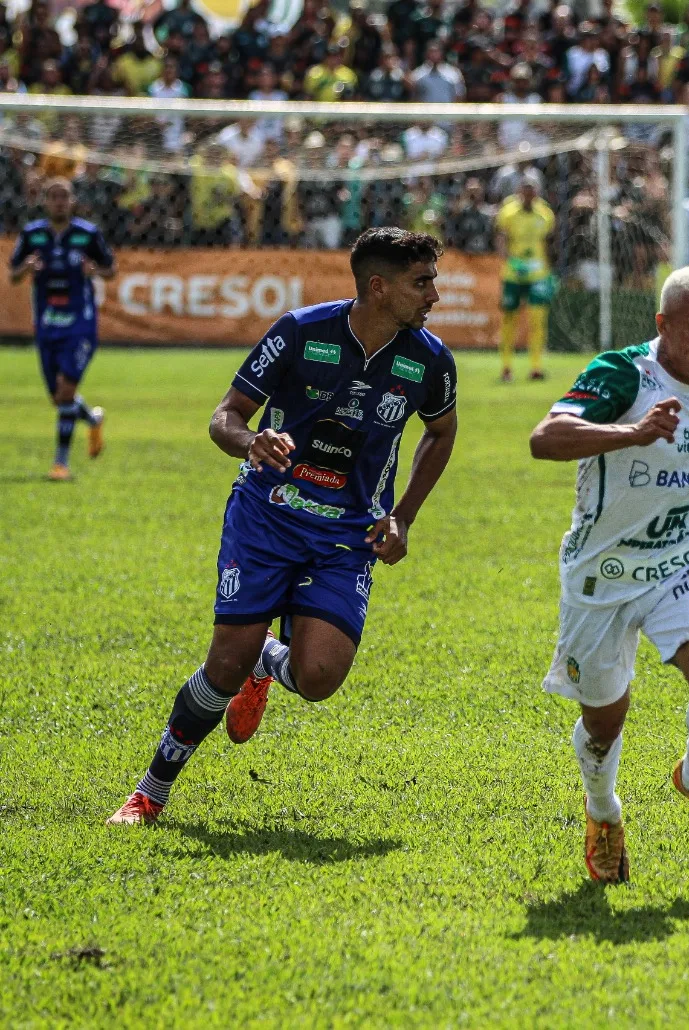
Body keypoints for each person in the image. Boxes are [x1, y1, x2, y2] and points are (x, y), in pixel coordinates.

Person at [106, 228, 459, 825]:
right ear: (379, 286)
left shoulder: (430, 358)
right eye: (422, 282)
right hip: (267, 517)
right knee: (223, 665)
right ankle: (150, 792)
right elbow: (225, 417)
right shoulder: (300, 331)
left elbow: (441, 431)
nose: (435, 295)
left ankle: (269, 661)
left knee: (318, 678)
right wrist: (250, 441)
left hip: (348, 534)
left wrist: (401, 517)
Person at [528, 265, 689, 883]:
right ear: (663, 325)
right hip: (602, 571)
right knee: (604, 720)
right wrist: (633, 430)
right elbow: (545, 438)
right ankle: (603, 811)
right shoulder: (623, 373)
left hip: (683, 556)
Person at [9, 178, 113, 480]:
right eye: (54, 197)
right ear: (45, 201)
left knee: (66, 391)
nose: (59, 202)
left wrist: (95, 271)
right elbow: (13, 274)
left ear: (72, 201)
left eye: (64, 197)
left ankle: (61, 463)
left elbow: (111, 269)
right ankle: (92, 419)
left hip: (80, 324)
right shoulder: (32, 234)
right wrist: (27, 267)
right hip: (47, 323)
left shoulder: (87, 233)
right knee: (58, 397)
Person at [495, 172, 556, 382]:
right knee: (509, 320)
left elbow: (549, 242)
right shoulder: (508, 212)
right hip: (514, 273)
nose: (529, 195)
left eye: (532, 191)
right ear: (520, 192)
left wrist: (550, 270)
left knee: (537, 321)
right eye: (525, 190)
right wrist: (508, 260)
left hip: (538, 274)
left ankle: (536, 367)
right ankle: (506, 367)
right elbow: (502, 238)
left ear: (536, 193)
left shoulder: (545, 214)